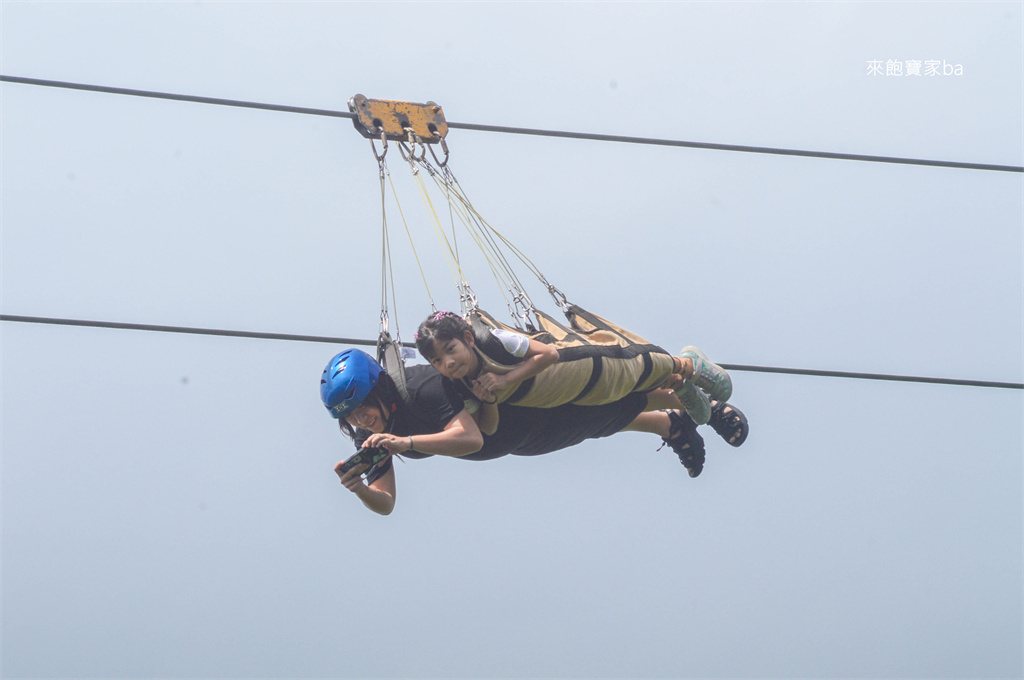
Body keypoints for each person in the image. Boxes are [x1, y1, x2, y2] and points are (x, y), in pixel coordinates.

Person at [321, 349, 749, 515]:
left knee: (602, 406)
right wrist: (360, 488)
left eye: (362, 409)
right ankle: (670, 423)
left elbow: (466, 437)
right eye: (350, 418)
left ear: (381, 391)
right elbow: (387, 504)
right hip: (515, 443)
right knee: (592, 426)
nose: (361, 421)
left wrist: (405, 443)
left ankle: (701, 402)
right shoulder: (369, 436)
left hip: (517, 418)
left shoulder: (421, 390)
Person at [414, 310, 732, 427]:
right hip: (584, 394)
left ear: (468, 338)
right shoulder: (466, 387)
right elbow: (488, 429)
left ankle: (689, 363)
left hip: (591, 367)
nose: (448, 363)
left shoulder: (494, 340)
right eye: (437, 362)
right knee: (631, 392)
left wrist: (505, 378)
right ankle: (680, 385)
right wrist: (489, 399)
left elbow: (548, 355)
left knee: (641, 367)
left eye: (450, 350)